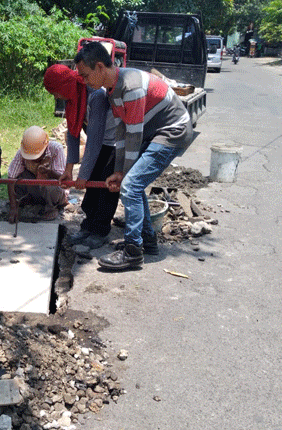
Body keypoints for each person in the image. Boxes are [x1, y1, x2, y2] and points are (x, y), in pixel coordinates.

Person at [74, 42, 193, 270]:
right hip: (154, 132)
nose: (84, 81)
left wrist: (124, 176)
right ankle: (147, 242)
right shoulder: (112, 89)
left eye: (86, 75)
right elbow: (121, 131)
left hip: (172, 132)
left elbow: (134, 137)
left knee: (130, 186)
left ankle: (132, 252)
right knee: (132, 185)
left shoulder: (131, 86)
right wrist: (119, 170)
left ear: (100, 67)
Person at [43, 63, 120, 249]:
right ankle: (88, 226)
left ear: (63, 86)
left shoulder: (96, 95)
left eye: (55, 92)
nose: (56, 97)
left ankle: (100, 230)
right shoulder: (73, 98)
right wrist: (69, 169)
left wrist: (82, 175)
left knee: (105, 185)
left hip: (115, 142)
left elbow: (93, 139)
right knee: (92, 184)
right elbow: (73, 133)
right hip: (100, 142)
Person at [7, 126, 67, 223]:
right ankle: (29, 201)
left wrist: (49, 172)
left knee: (50, 184)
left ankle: (52, 208)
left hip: (55, 191)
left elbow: (62, 179)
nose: (34, 159)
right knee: (18, 179)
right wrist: (13, 208)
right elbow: (11, 178)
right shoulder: (22, 153)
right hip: (34, 188)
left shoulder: (56, 149)